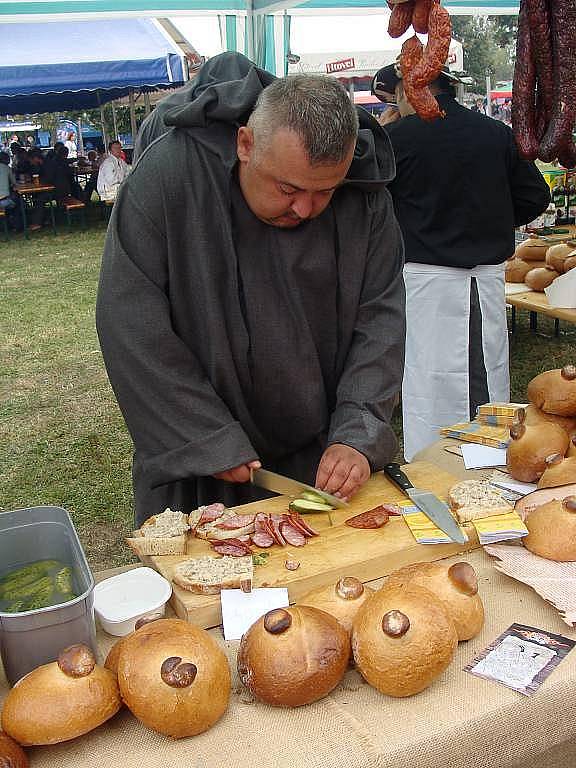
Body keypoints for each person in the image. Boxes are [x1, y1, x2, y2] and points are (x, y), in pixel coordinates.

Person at [97, 52, 405, 527]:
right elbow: (131, 322)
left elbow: (380, 319)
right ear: (245, 143)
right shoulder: (169, 176)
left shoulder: (364, 198)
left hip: (320, 452)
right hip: (200, 460)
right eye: (287, 189)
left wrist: (357, 431)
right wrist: (202, 435)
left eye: (324, 191)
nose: (305, 209)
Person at [371, 62, 550, 461]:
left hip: (425, 281)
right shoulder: (494, 133)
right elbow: (534, 196)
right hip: (479, 279)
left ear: (411, 88)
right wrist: (490, 219)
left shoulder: (398, 138)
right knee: (480, 375)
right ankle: (488, 462)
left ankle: (434, 465)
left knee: (430, 379)